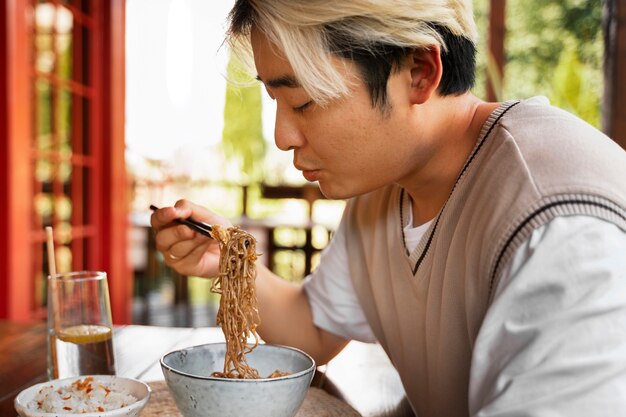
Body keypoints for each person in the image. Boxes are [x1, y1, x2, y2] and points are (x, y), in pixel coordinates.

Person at [150, 1, 626, 416]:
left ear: (419, 72)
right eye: (276, 100)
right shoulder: (385, 191)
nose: (282, 136)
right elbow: (315, 330)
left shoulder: (562, 227)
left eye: (304, 101)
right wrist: (229, 261)